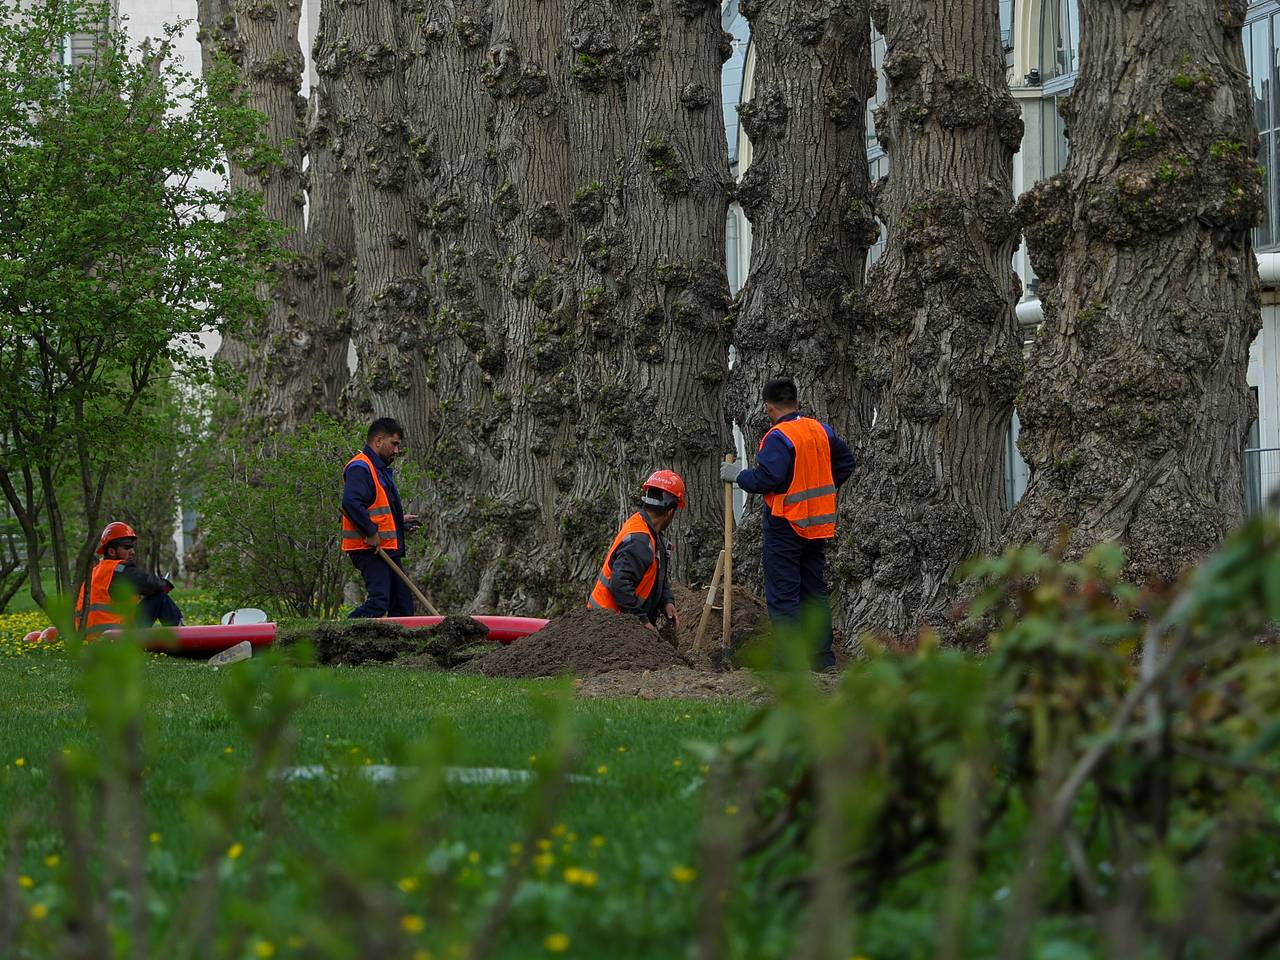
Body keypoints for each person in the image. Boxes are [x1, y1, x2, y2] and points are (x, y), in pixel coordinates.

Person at [720, 378, 855, 669]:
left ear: (769, 408)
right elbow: (845, 463)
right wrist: (824, 489)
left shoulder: (778, 436)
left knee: (784, 595)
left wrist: (739, 476)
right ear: (796, 402)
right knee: (814, 592)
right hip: (816, 524)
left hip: (785, 524)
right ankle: (822, 660)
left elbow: (769, 478)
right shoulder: (820, 430)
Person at [341, 417, 421, 618]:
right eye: (394, 444)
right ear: (378, 441)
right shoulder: (360, 467)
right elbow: (351, 503)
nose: (396, 450)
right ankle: (337, 634)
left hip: (386, 547)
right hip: (369, 549)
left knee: (402, 605)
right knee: (379, 603)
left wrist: (398, 522)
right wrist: (370, 531)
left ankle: (403, 647)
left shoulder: (378, 469)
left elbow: (375, 506)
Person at [588, 470, 686, 631]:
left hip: (614, 622)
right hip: (607, 626)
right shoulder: (640, 541)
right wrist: (642, 621)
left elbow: (655, 577)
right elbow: (620, 585)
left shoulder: (649, 532)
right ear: (670, 512)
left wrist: (667, 601)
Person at [75, 521, 184, 639]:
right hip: (117, 638)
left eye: (132, 547)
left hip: (91, 639)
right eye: (126, 547)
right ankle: (183, 638)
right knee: (160, 598)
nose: (132, 552)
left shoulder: (95, 572)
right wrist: (164, 584)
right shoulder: (119, 570)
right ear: (112, 551)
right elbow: (152, 585)